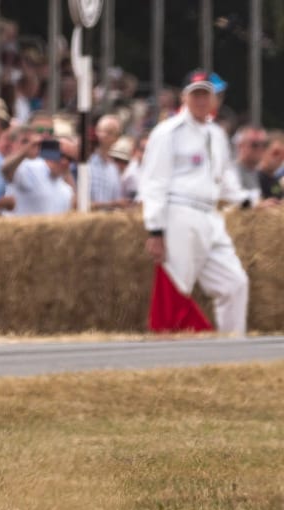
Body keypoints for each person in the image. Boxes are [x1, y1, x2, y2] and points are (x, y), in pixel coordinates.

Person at [139, 71, 253, 336]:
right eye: (196, 94)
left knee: (235, 283)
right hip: (180, 212)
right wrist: (155, 229)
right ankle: (173, 355)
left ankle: (234, 348)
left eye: (206, 95)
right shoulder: (167, 133)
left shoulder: (217, 134)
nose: (201, 101)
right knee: (178, 286)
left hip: (211, 215)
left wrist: (248, 201)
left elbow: (224, 179)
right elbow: (154, 182)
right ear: (184, 98)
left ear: (214, 100)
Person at [88, 114, 126, 210]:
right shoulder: (86, 162)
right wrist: (112, 204)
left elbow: (116, 199)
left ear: (116, 138)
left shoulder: (113, 169)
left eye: (109, 132)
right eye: (101, 130)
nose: (103, 135)